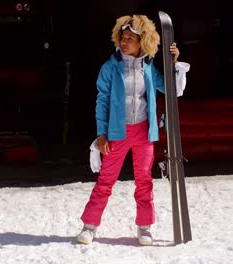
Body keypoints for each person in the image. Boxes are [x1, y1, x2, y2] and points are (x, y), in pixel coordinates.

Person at [77, 14, 190, 246]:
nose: (124, 42)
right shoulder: (110, 68)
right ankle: (89, 226)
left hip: (144, 132)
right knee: (105, 181)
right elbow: (102, 101)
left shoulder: (148, 68)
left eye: (130, 38)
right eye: (122, 37)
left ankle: (144, 228)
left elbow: (169, 88)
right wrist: (101, 133)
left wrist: (174, 63)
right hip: (117, 133)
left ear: (142, 42)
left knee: (144, 181)